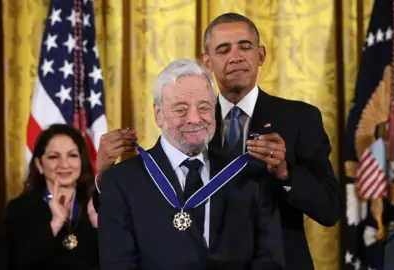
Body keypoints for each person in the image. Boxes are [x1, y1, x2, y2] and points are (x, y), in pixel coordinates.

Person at [94, 13, 342, 270]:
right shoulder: (188, 121)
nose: (235, 57)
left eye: (245, 46)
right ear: (206, 61)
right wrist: (103, 175)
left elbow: (329, 209)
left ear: (261, 55)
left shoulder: (299, 118)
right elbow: (143, 204)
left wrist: (286, 174)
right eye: (223, 49)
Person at [97, 59, 284, 270]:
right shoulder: (122, 181)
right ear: (158, 114)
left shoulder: (248, 175)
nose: (194, 119)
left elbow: (271, 261)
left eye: (204, 107)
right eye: (181, 109)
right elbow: (118, 264)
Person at [4, 124, 99, 270]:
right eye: (54, 157)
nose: (64, 164)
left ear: (82, 161)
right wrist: (54, 224)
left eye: (72, 155)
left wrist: (98, 225)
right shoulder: (19, 209)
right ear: (39, 164)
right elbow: (17, 263)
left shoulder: (97, 205)